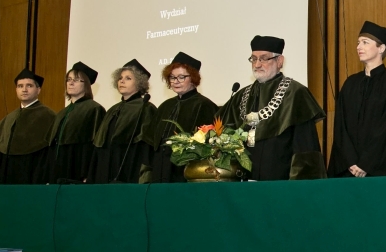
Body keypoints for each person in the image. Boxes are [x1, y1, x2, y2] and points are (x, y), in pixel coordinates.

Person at [221, 35, 326, 180]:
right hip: (243, 183)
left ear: (279, 61)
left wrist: (299, 188)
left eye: (264, 58)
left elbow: (305, 150)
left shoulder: (296, 93)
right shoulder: (241, 96)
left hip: (281, 183)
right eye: (254, 59)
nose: (257, 64)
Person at [328, 22, 386, 178]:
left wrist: (366, 163)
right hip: (348, 168)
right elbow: (341, 126)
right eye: (358, 43)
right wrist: (351, 161)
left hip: (379, 170)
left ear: (381, 48)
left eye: (365, 42)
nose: (359, 47)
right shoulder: (350, 83)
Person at [151, 52, 218, 183]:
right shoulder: (165, 106)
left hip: (187, 170)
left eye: (181, 77)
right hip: (160, 168)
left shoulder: (204, 105)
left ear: (193, 78)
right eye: (172, 77)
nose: (176, 81)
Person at [0, 68, 56, 185]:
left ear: (38, 90)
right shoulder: (10, 117)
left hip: (32, 173)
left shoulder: (48, 116)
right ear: (16, 90)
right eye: (20, 86)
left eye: (29, 86)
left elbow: (49, 154)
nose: (24, 90)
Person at [88, 59, 158, 184]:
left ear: (139, 82)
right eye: (120, 78)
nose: (122, 81)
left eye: (128, 78)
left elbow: (146, 146)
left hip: (130, 165)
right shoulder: (112, 109)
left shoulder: (146, 108)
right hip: (106, 164)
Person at [44, 62, 106, 184]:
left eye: (76, 80)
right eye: (69, 79)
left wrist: (87, 173)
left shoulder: (94, 109)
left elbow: (94, 146)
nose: (71, 83)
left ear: (86, 84)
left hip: (78, 166)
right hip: (58, 166)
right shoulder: (62, 113)